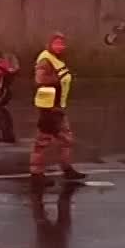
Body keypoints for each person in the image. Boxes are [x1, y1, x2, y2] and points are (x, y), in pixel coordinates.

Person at [32, 32, 87, 185]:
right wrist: (57, 79)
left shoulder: (56, 59)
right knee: (43, 142)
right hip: (48, 108)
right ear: (49, 44)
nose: (60, 46)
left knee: (66, 139)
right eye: (56, 43)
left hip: (57, 107)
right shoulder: (46, 59)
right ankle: (37, 176)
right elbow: (40, 79)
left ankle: (67, 169)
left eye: (62, 43)